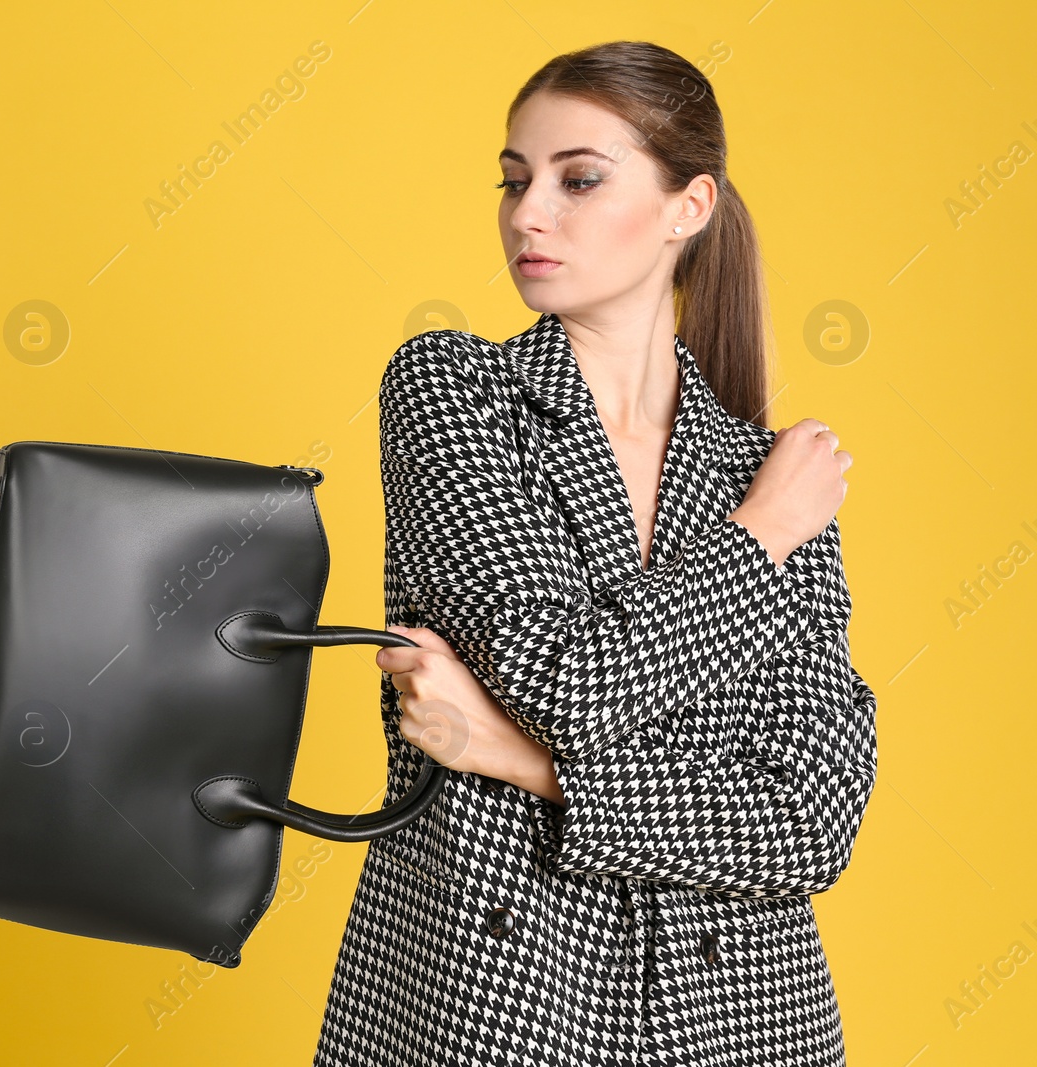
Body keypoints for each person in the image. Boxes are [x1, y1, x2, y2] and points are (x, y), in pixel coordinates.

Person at [311, 40, 878, 1067]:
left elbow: (808, 820)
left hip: (742, 1023)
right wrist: (756, 543)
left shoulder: (774, 474)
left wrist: (514, 758)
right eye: (515, 180)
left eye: (578, 179)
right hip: (497, 1003)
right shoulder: (456, 392)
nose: (528, 213)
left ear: (687, 207)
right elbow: (567, 679)